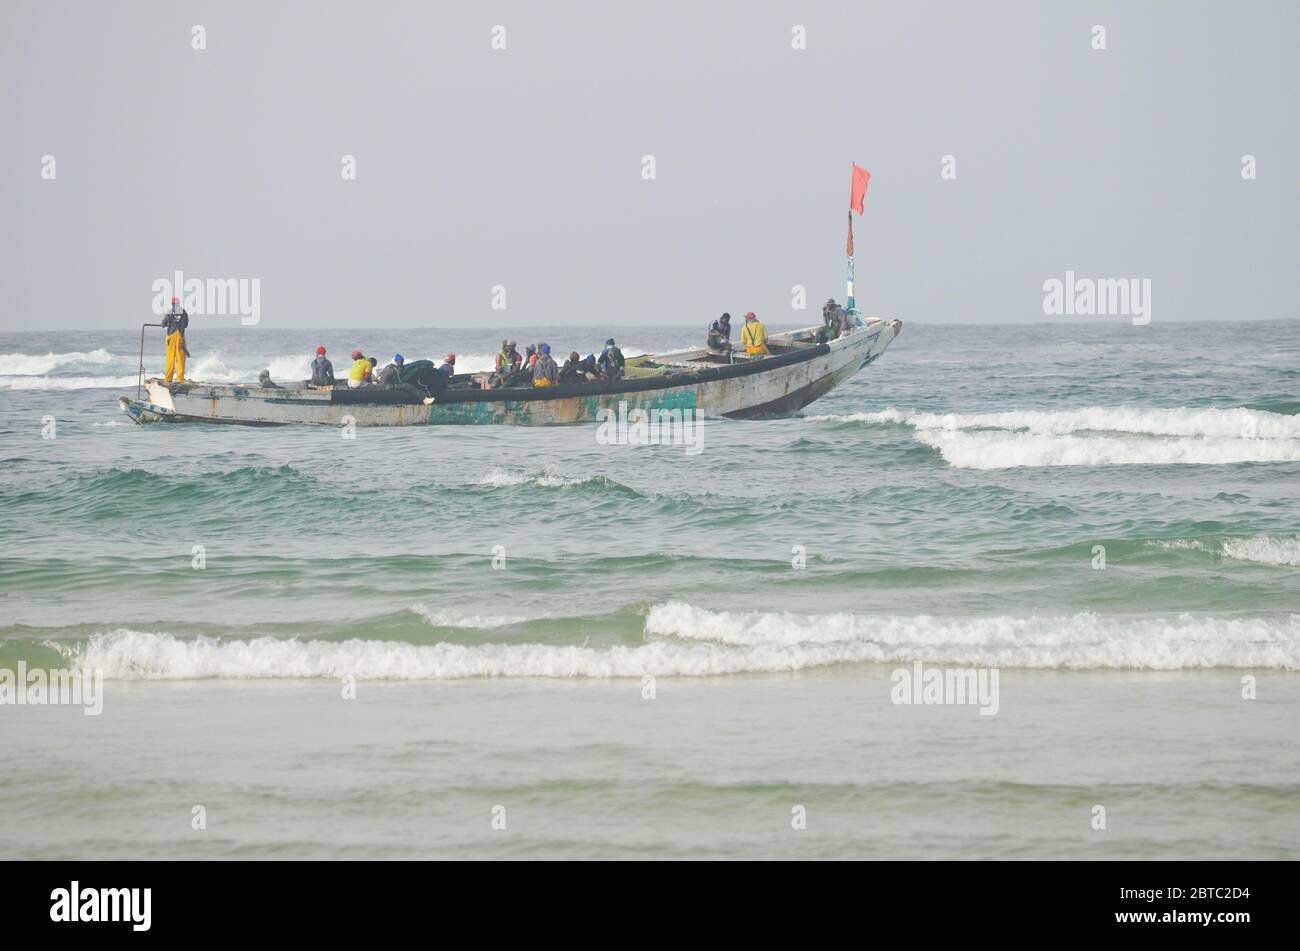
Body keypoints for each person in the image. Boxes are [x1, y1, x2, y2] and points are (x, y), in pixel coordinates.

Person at [162, 296, 189, 383]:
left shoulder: (169, 312)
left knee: (170, 358)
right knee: (180, 359)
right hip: (180, 336)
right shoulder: (184, 312)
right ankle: (179, 379)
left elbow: (163, 323)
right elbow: (186, 324)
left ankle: (168, 378)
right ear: (178, 303)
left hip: (171, 336)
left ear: (172, 303)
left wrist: (166, 324)